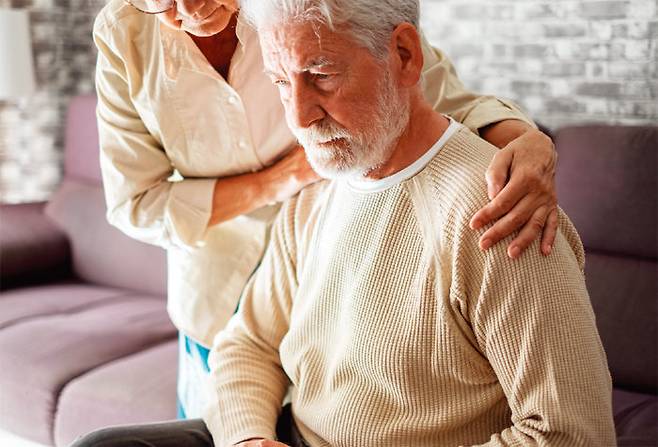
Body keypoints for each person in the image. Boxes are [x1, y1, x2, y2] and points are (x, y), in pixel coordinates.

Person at [73, 0, 615, 446]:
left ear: (403, 55)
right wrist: (248, 440)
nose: (299, 118)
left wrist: (529, 140)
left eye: (321, 77)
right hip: (227, 302)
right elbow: (246, 345)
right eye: (280, 83)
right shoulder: (314, 196)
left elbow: (570, 433)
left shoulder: (495, 215)